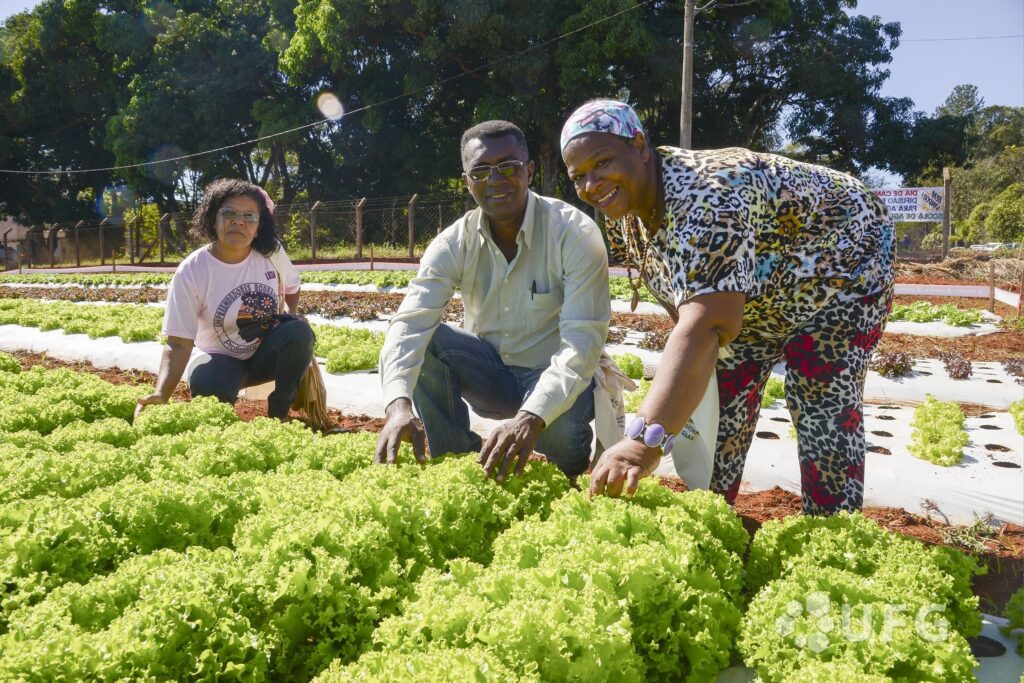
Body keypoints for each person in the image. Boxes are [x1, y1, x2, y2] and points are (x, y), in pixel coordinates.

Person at [561, 100, 894, 514]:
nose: (592, 184)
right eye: (578, 176)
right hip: (759, 291)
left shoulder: (708, 195)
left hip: (843, 264)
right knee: (724, 401)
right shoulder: (628, 207)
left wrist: (642, 442)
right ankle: (713, 512)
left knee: (819, 390)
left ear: (640, 147)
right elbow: (688, 306)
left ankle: (834, 529)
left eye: (602, 162)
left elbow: (708, 322)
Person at [376, 120, 610, 480]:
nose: (496, 180)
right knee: (427, 338)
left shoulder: (573, 233)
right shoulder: (454, 242)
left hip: (554, 373)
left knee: (561, 443)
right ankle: (458, 466)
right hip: (492, 374)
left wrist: (531, 417)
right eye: (481, 171)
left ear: (529, 170)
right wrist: (397, 405)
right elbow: (410, 323)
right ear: (467, 181)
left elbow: (582, 344)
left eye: (509, 167)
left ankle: (567, 468)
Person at [134, 178, 315, 421]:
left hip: (264, 356)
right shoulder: (193, 270)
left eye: (249, 216)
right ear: (213, 218)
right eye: (229, 213)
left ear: (259, 225)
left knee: (298, 332)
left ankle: (279, 414)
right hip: (218, 360)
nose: (239, 221)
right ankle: (222, 413)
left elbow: (292, 286)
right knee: (210, 383)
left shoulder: (270, 254)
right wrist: (161, 393)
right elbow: (178, 343)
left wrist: (290, 315)